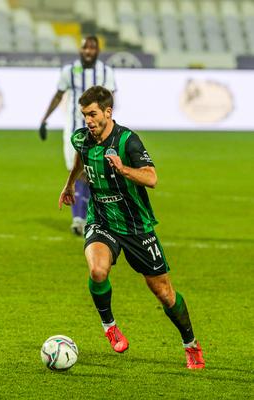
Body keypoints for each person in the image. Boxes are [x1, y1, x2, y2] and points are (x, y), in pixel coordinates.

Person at [58, 86, 205, 369]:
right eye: (84, 115)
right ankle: (110, 326)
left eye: (92, 114)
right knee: (97, 270)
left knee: (164, 292)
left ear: (108, 112)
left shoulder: (128, 141)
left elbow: (151, 178)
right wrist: (70, 183)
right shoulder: (82, 137)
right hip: (101, 219)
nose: (87, 120)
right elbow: (81, 154)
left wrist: (123, 168)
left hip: (136, 226)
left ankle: (191, 344)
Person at [40, 36, 116, 235]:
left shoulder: (106, 72)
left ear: (98, 50)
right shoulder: (69, 71)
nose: (89, 51)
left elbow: (111, 101)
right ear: (80, 50)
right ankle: (79, 219)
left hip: (98, 133)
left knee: (93, 175)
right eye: (85, 48)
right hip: (74, 131)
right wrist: (44, 119)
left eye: (92, 48)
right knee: (77, 171)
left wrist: (109, 128)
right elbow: (59, 95)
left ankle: (86, 218)